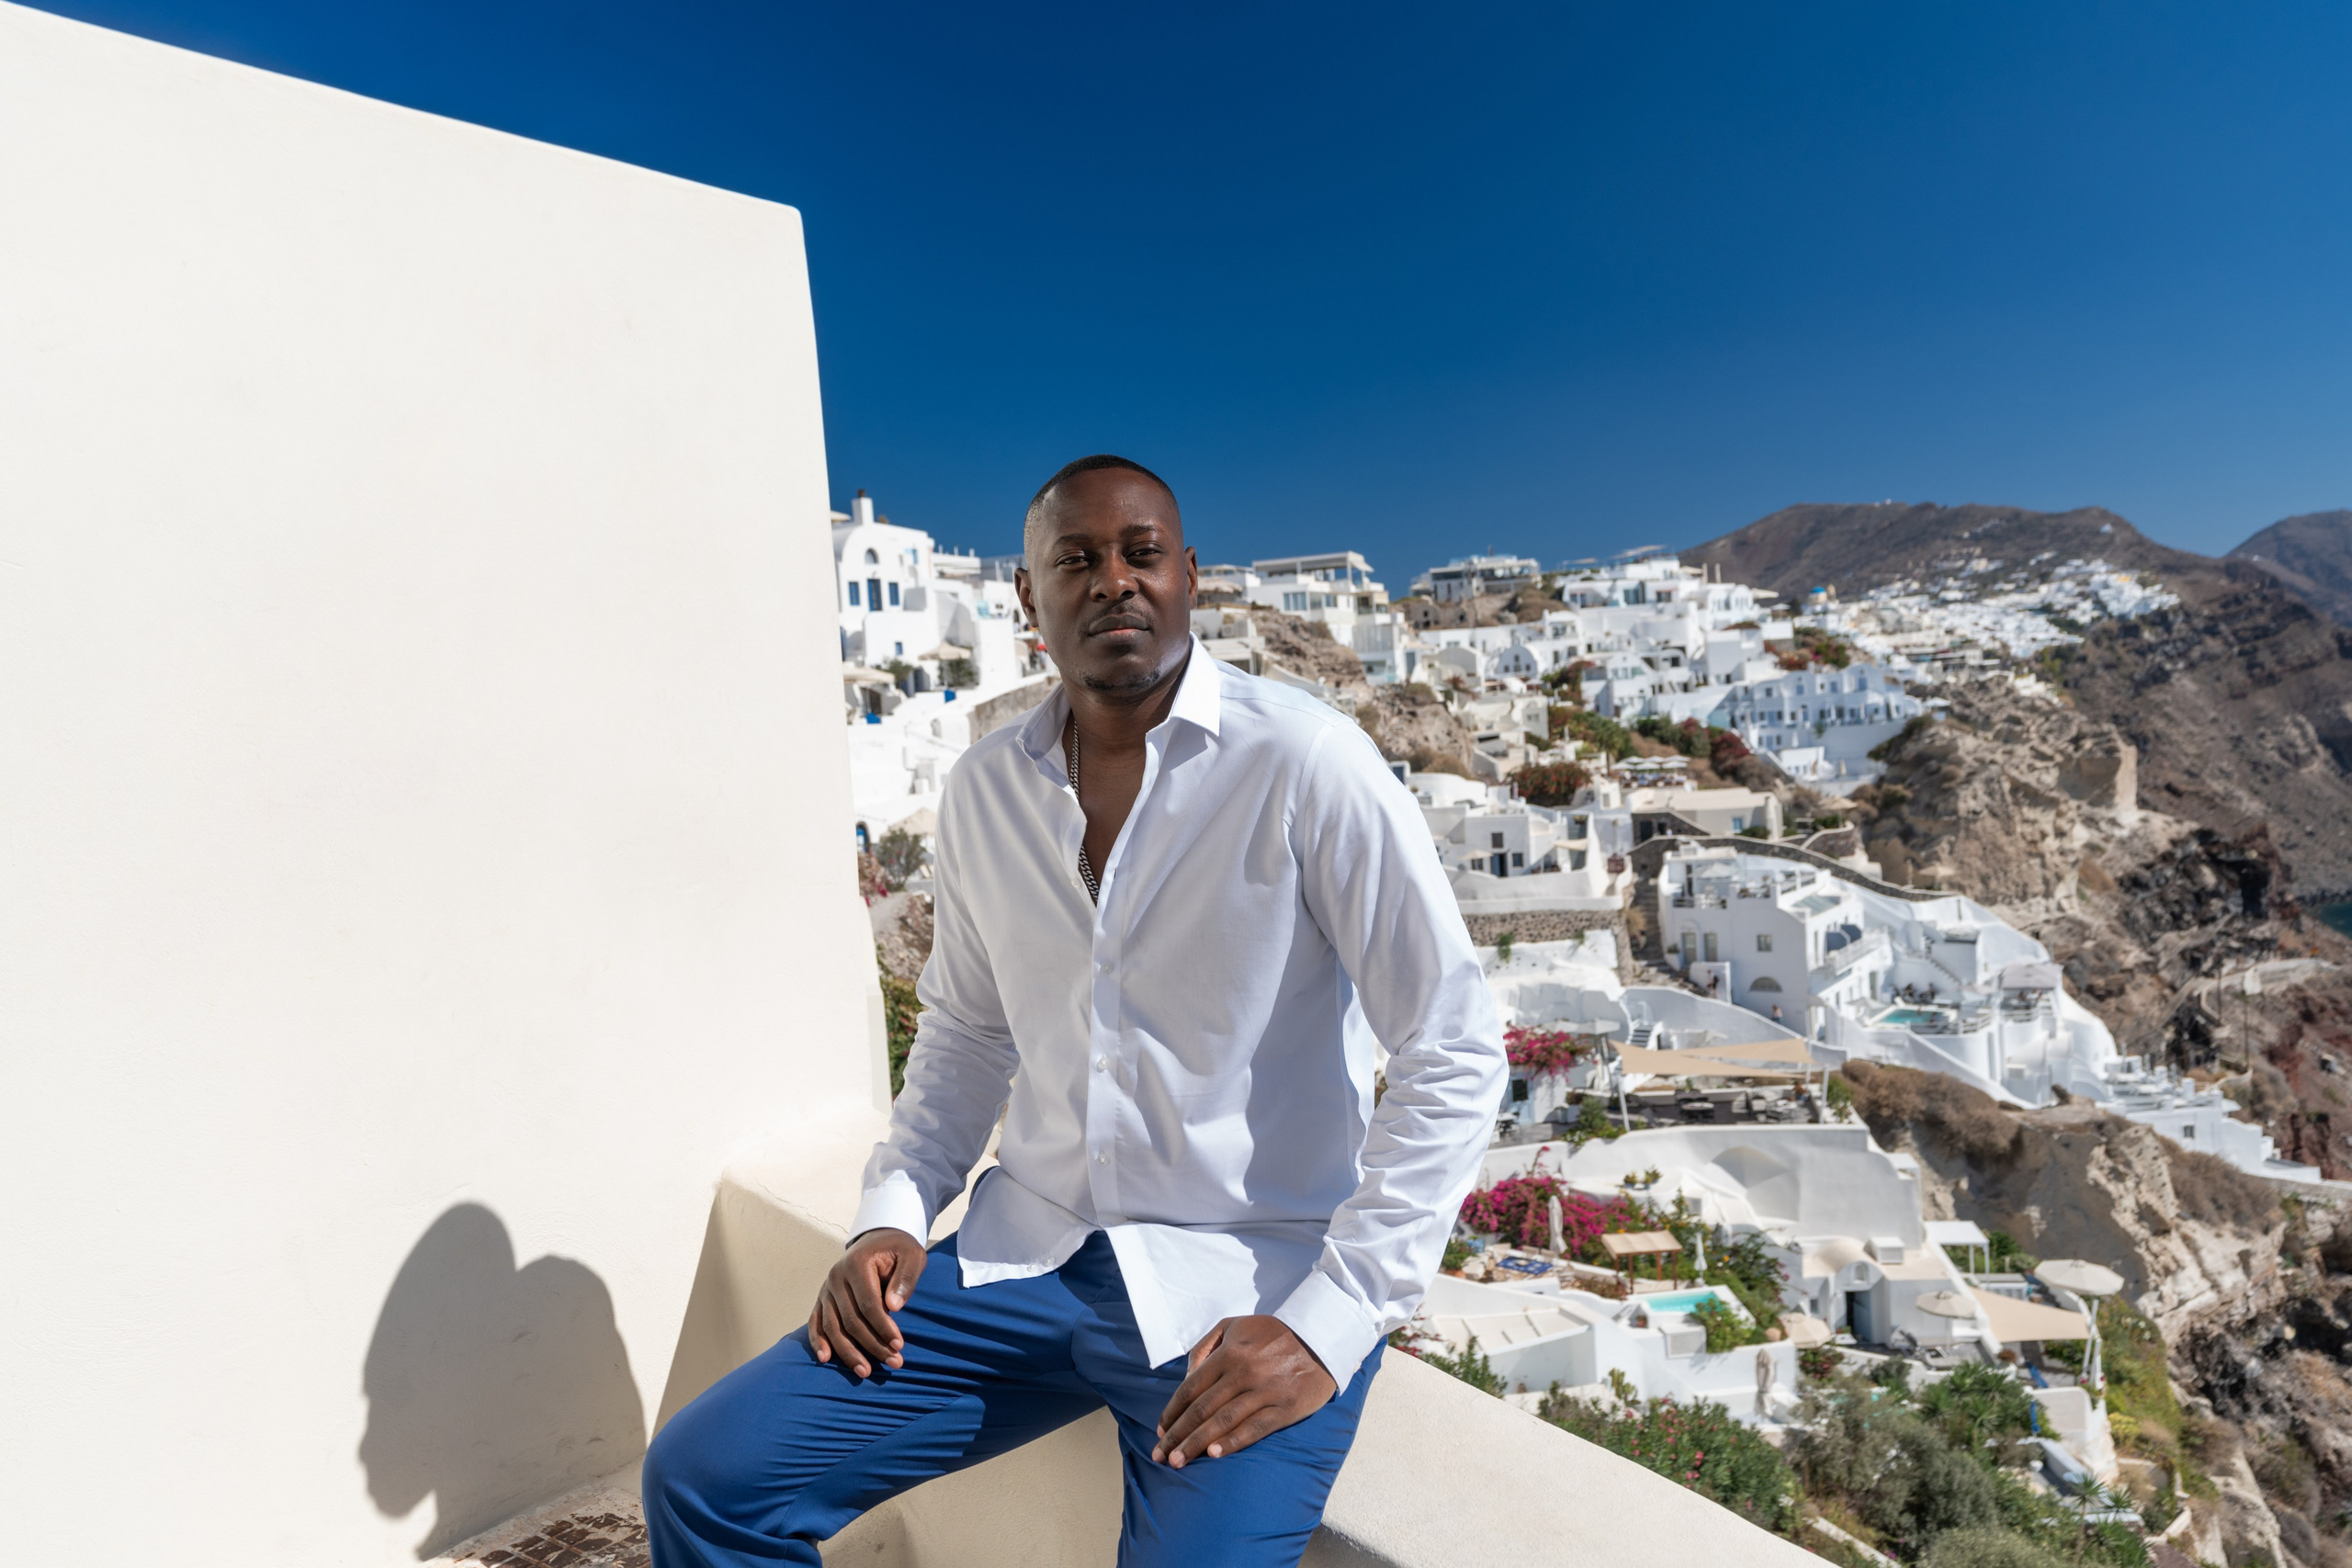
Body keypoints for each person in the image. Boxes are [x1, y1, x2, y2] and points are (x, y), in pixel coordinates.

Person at [643, 456, 1507, 1566]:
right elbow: (964, 1029)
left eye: (1141, 554)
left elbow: (1452, 1044)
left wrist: (1330, 1327)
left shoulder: (1304, 765)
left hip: (1244, 1290)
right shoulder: (986, 792)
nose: (1115, 582)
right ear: (1026, 598)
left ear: (1189, 576)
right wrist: (894, 1211)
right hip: (1025, 1261)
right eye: (1077, 560)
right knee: (707, 1479)